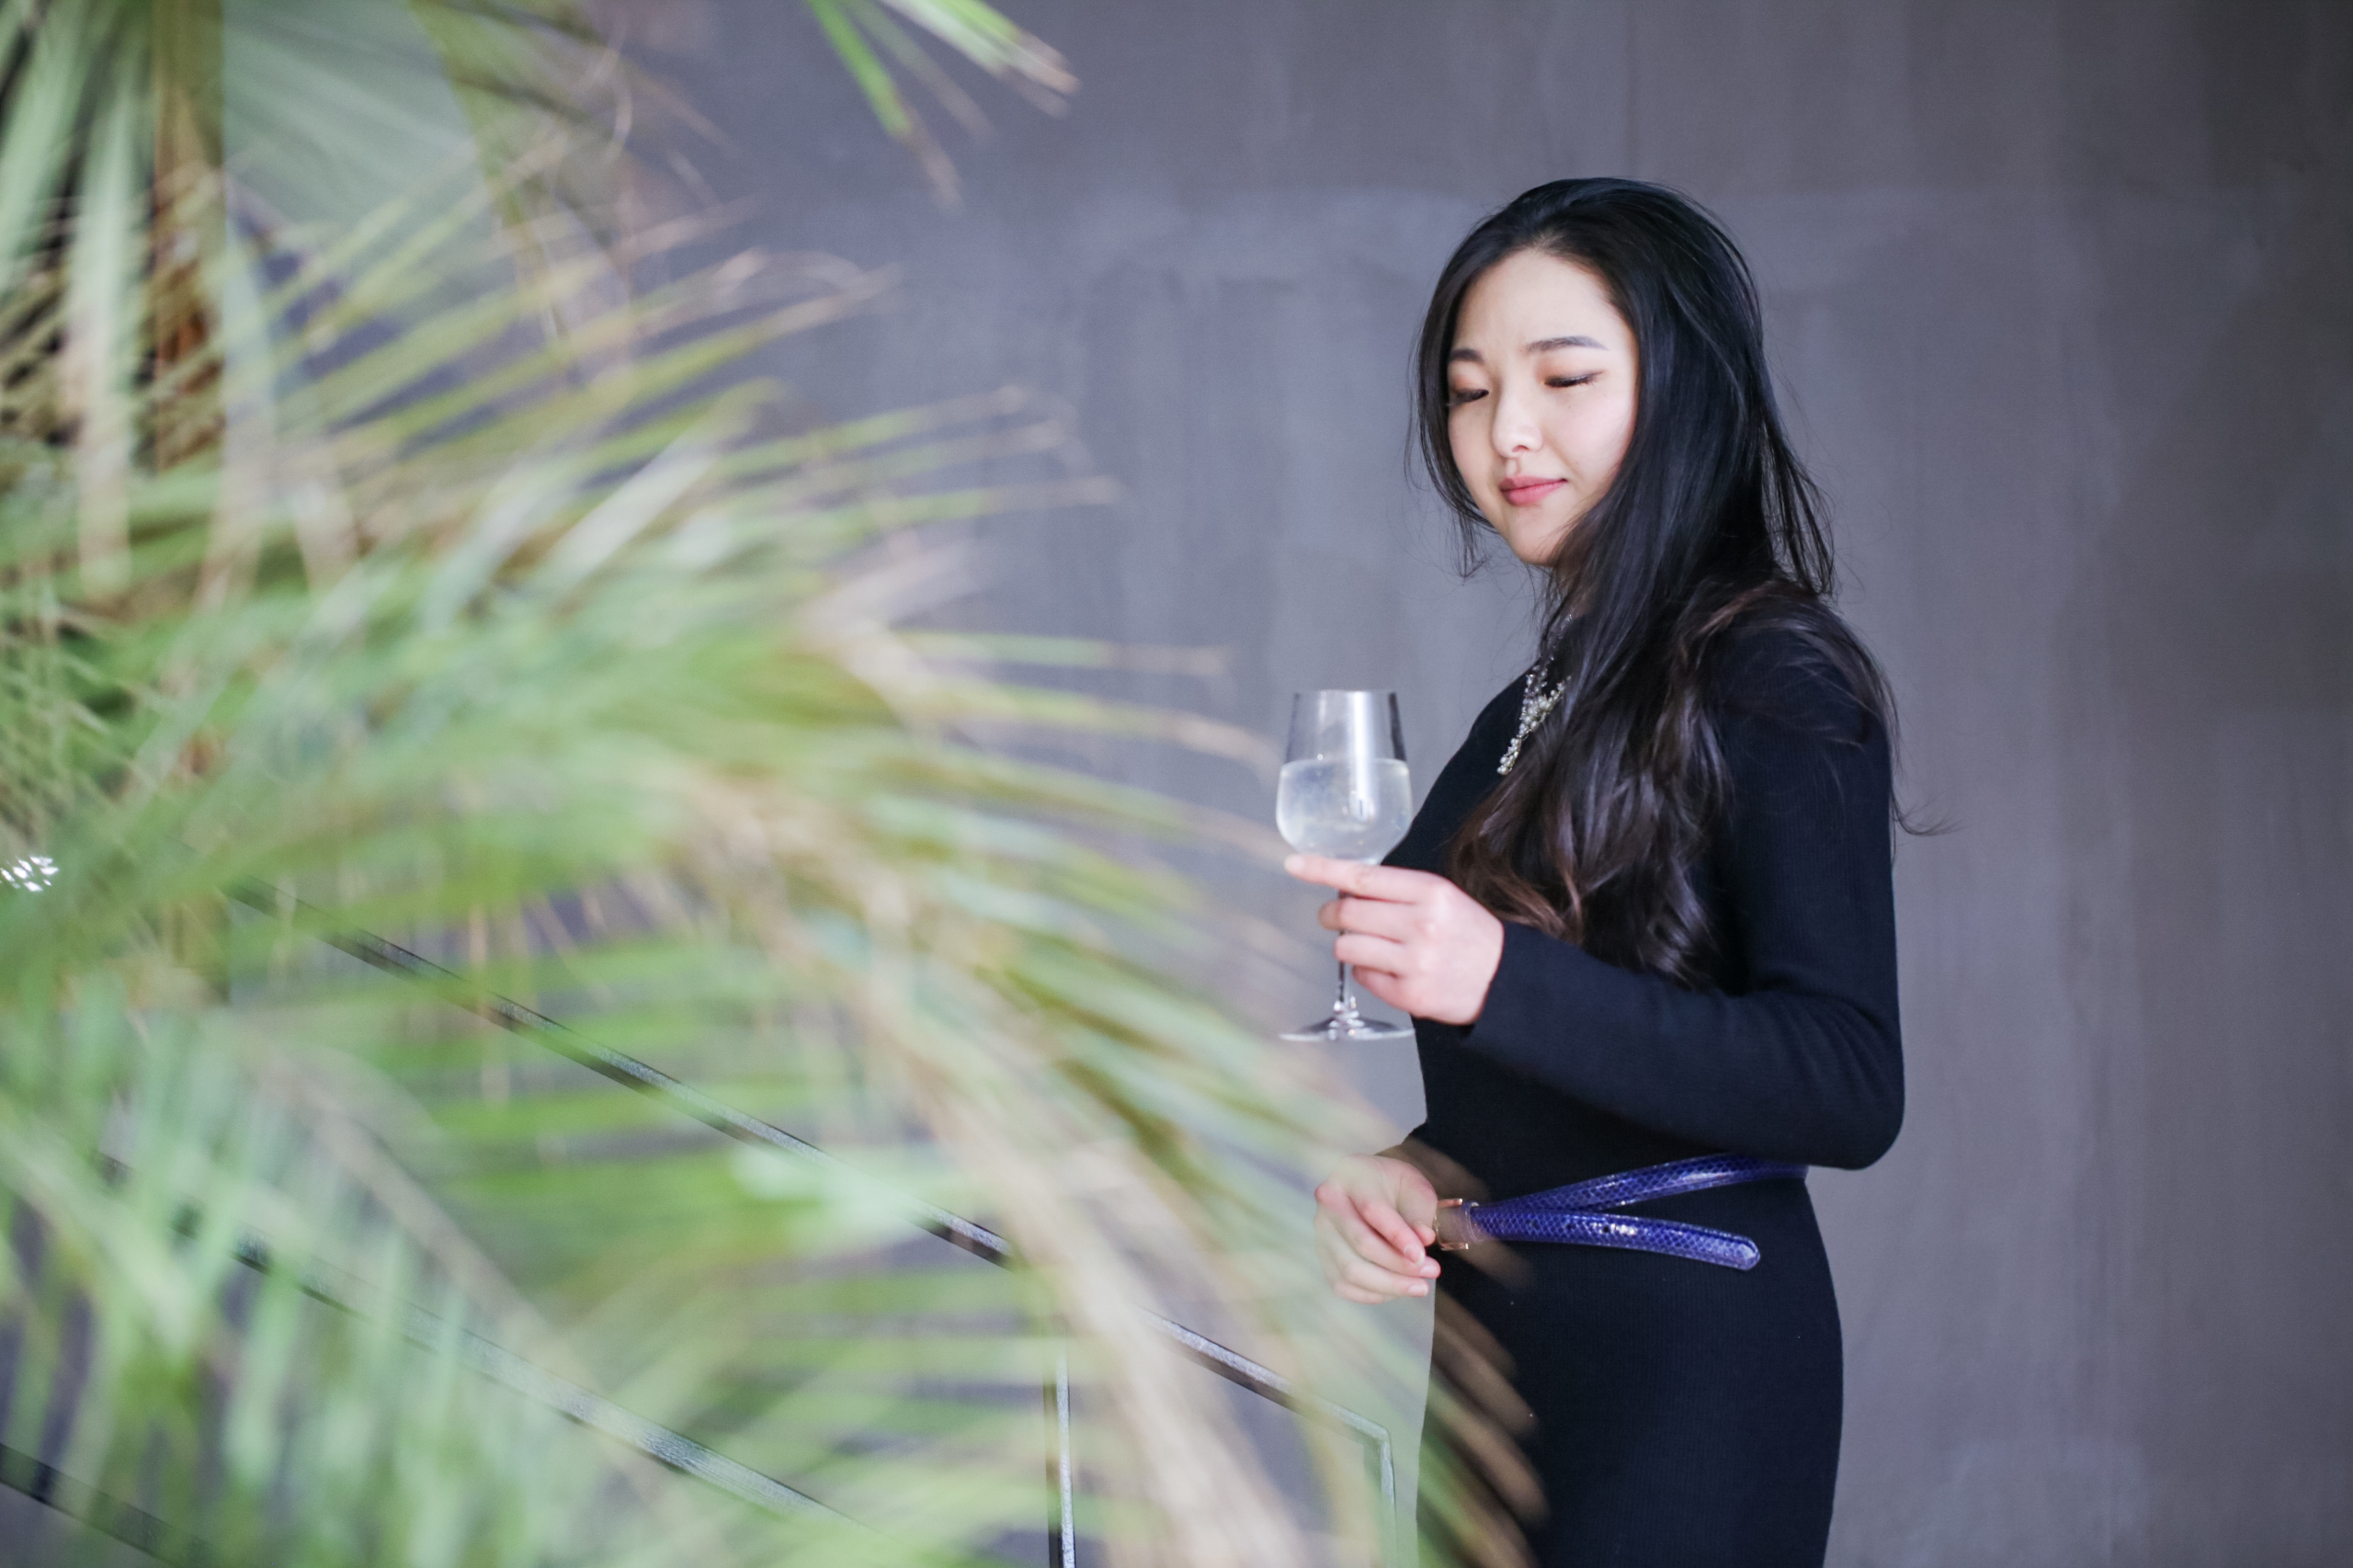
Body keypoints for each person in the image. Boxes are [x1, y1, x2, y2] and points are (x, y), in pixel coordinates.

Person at [1287, 178, 1904, 1567]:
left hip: (1683, 1364)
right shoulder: (1536, 699)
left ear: (1682, 393)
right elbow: (1564, 1076)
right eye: (1470, 391)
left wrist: (1497, 975)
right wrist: (1414, 1171)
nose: (1507, 431)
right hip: (1499, 1365)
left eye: (1564, 379)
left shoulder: (1772, 668)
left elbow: (1850, 1079)